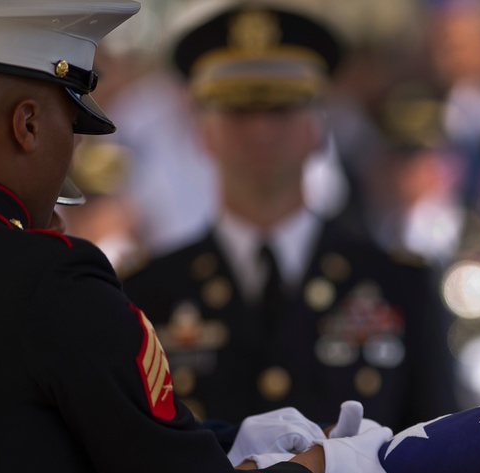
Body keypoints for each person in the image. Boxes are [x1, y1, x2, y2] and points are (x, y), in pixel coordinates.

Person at [0, 2, 417, 473]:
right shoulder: (50, 280)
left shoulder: (395, 281)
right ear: (28, 124)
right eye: (72, 126)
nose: (73, 162)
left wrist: (225, 445)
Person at [122, 0, 458, 430]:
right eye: (238, 110)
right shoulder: (148, 295)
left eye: (282, 108)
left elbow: (437, 455)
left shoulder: (398, 284)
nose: (261, 130)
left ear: (318, 128)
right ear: (203, 133)